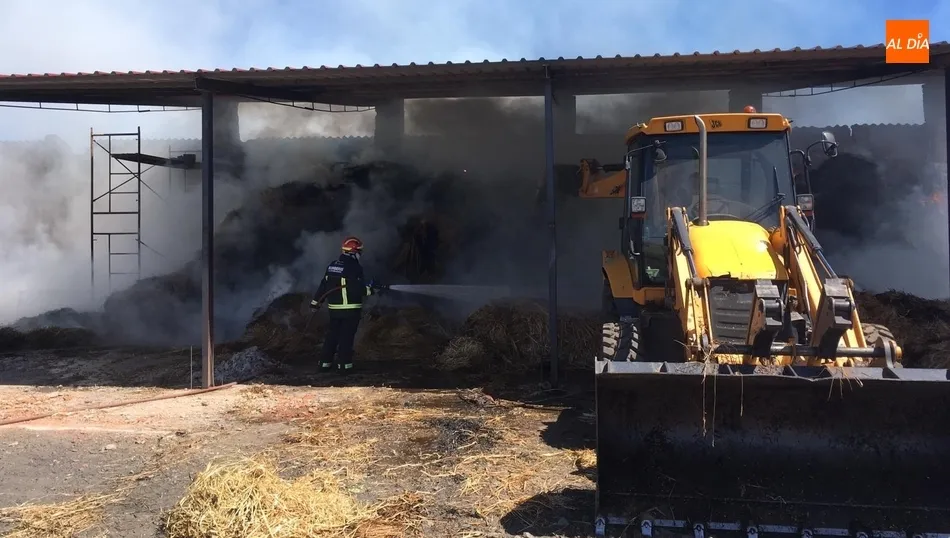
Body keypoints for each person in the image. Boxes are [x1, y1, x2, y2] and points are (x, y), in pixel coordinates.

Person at [310, 236, 385, 374]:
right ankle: (344, 367)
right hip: (350, 310)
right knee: (346, 338)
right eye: (359, 252)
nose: (360, 255)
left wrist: (315, 303)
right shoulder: (354, 267)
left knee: (332, 336)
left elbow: (323, 286)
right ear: (354, 252)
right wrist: (373, 290)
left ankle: (324, 364)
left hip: (334, 310)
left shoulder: (332, 266)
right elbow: (357, 289)